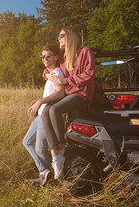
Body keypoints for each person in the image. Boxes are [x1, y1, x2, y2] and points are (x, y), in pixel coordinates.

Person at [41, 27, 95, 180]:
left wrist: (66, 80)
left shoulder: (84, 51)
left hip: (81, 95)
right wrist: (47, 75)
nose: (59, 38)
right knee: (46, 111)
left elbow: (89, 74)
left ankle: (60, 145)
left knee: (55, 109)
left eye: (61, 35)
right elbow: (48, 69)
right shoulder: (63, 58)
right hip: (68, 95)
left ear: (70, 36)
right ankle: (56, 154)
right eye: (58, 36)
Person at [23, 45, 65, 187]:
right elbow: (51, 94)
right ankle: (45, 172)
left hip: (44, 117)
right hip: (39, 114)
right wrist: (38, 103)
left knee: (40, 148)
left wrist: (41, 101)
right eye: (42, 56)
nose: (45, 59)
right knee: (26, 141)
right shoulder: (50, 73)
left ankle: (46, 177)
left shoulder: (58, 73)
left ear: (55, 57)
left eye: (48, 56)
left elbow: (60, 93)